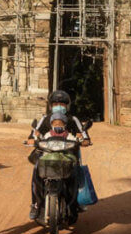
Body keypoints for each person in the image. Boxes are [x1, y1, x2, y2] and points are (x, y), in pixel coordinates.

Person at [25, 90, 91, 222]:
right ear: (50, 106)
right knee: (36, 170)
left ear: (67, 105)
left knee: (75, 174)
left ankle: (73, 205)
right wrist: (33, 139)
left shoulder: (73, 120)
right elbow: (33, 135)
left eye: (62, 103)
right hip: (47, 155)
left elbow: (85, 137)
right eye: (55, 103)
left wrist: (83, 140)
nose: (58, 106)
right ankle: (37, 204)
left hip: (68, 156)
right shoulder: (45, 119)